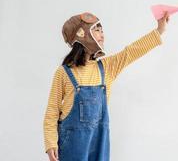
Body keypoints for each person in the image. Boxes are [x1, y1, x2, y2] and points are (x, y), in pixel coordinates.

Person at [43, 11, 170, 161]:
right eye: (97, 30)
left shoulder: (107, 67)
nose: (102, 35)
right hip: (71, 145)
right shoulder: (63, 72)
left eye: (102, 30)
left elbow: (131, 51)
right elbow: (52, 111)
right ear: (82, 34)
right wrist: (51, 143)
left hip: (98, 145)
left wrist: (159, 31)